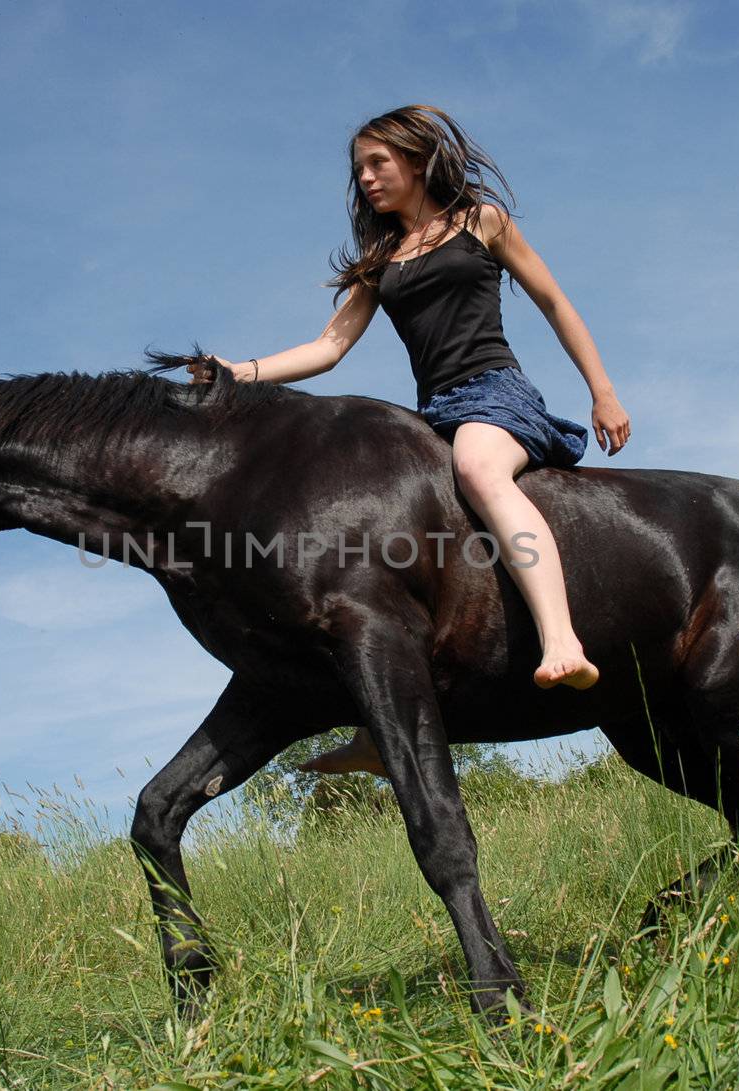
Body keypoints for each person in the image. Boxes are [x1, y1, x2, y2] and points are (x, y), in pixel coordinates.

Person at [188, 104, 630, 776]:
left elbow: (555, 303)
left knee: (481, 470)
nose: (365, 178)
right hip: (433, 415)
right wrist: (234, 373)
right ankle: (378, 726)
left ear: (416, 161)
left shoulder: (481, 221)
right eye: (358, 169)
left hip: (496, 395)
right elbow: (328, 346)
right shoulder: (382, 260)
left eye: (377, 163)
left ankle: (560, 636)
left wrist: (602, 389)